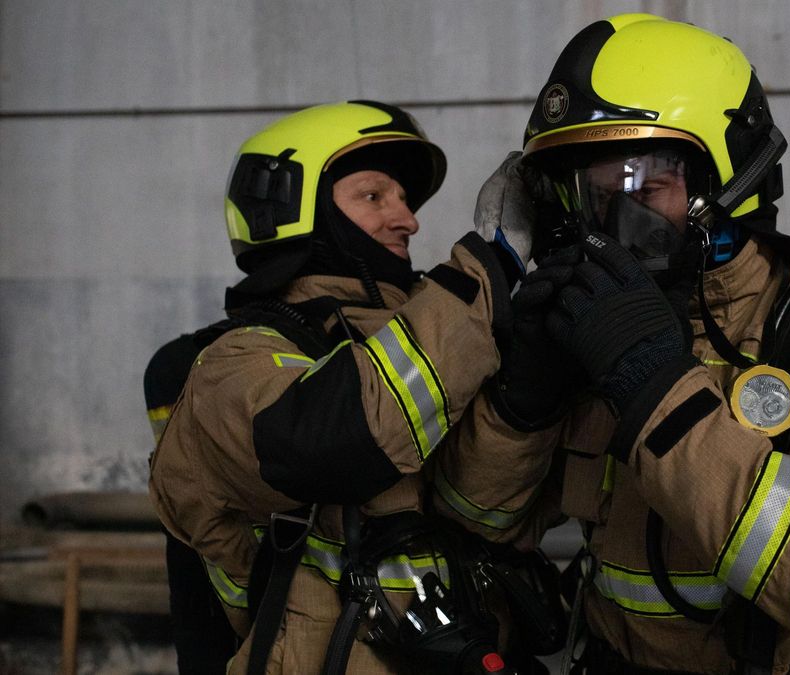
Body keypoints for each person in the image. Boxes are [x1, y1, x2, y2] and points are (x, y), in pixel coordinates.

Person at [436, 14, 790, 674]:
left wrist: (653, 383)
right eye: (587, 198)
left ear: (729, 181)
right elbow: (476, 524)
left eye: (641, 188)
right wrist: (523, 404)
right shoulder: (595, 324)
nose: (607, 227)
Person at [149, 100, 540, 674]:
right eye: (373, 196)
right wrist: (489, 269)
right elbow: (329, 443)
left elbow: (484, 515)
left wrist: (533, 383)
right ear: (288, 207)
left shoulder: (438, 339)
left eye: (405, 200)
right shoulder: (232, 362)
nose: (407, 220)